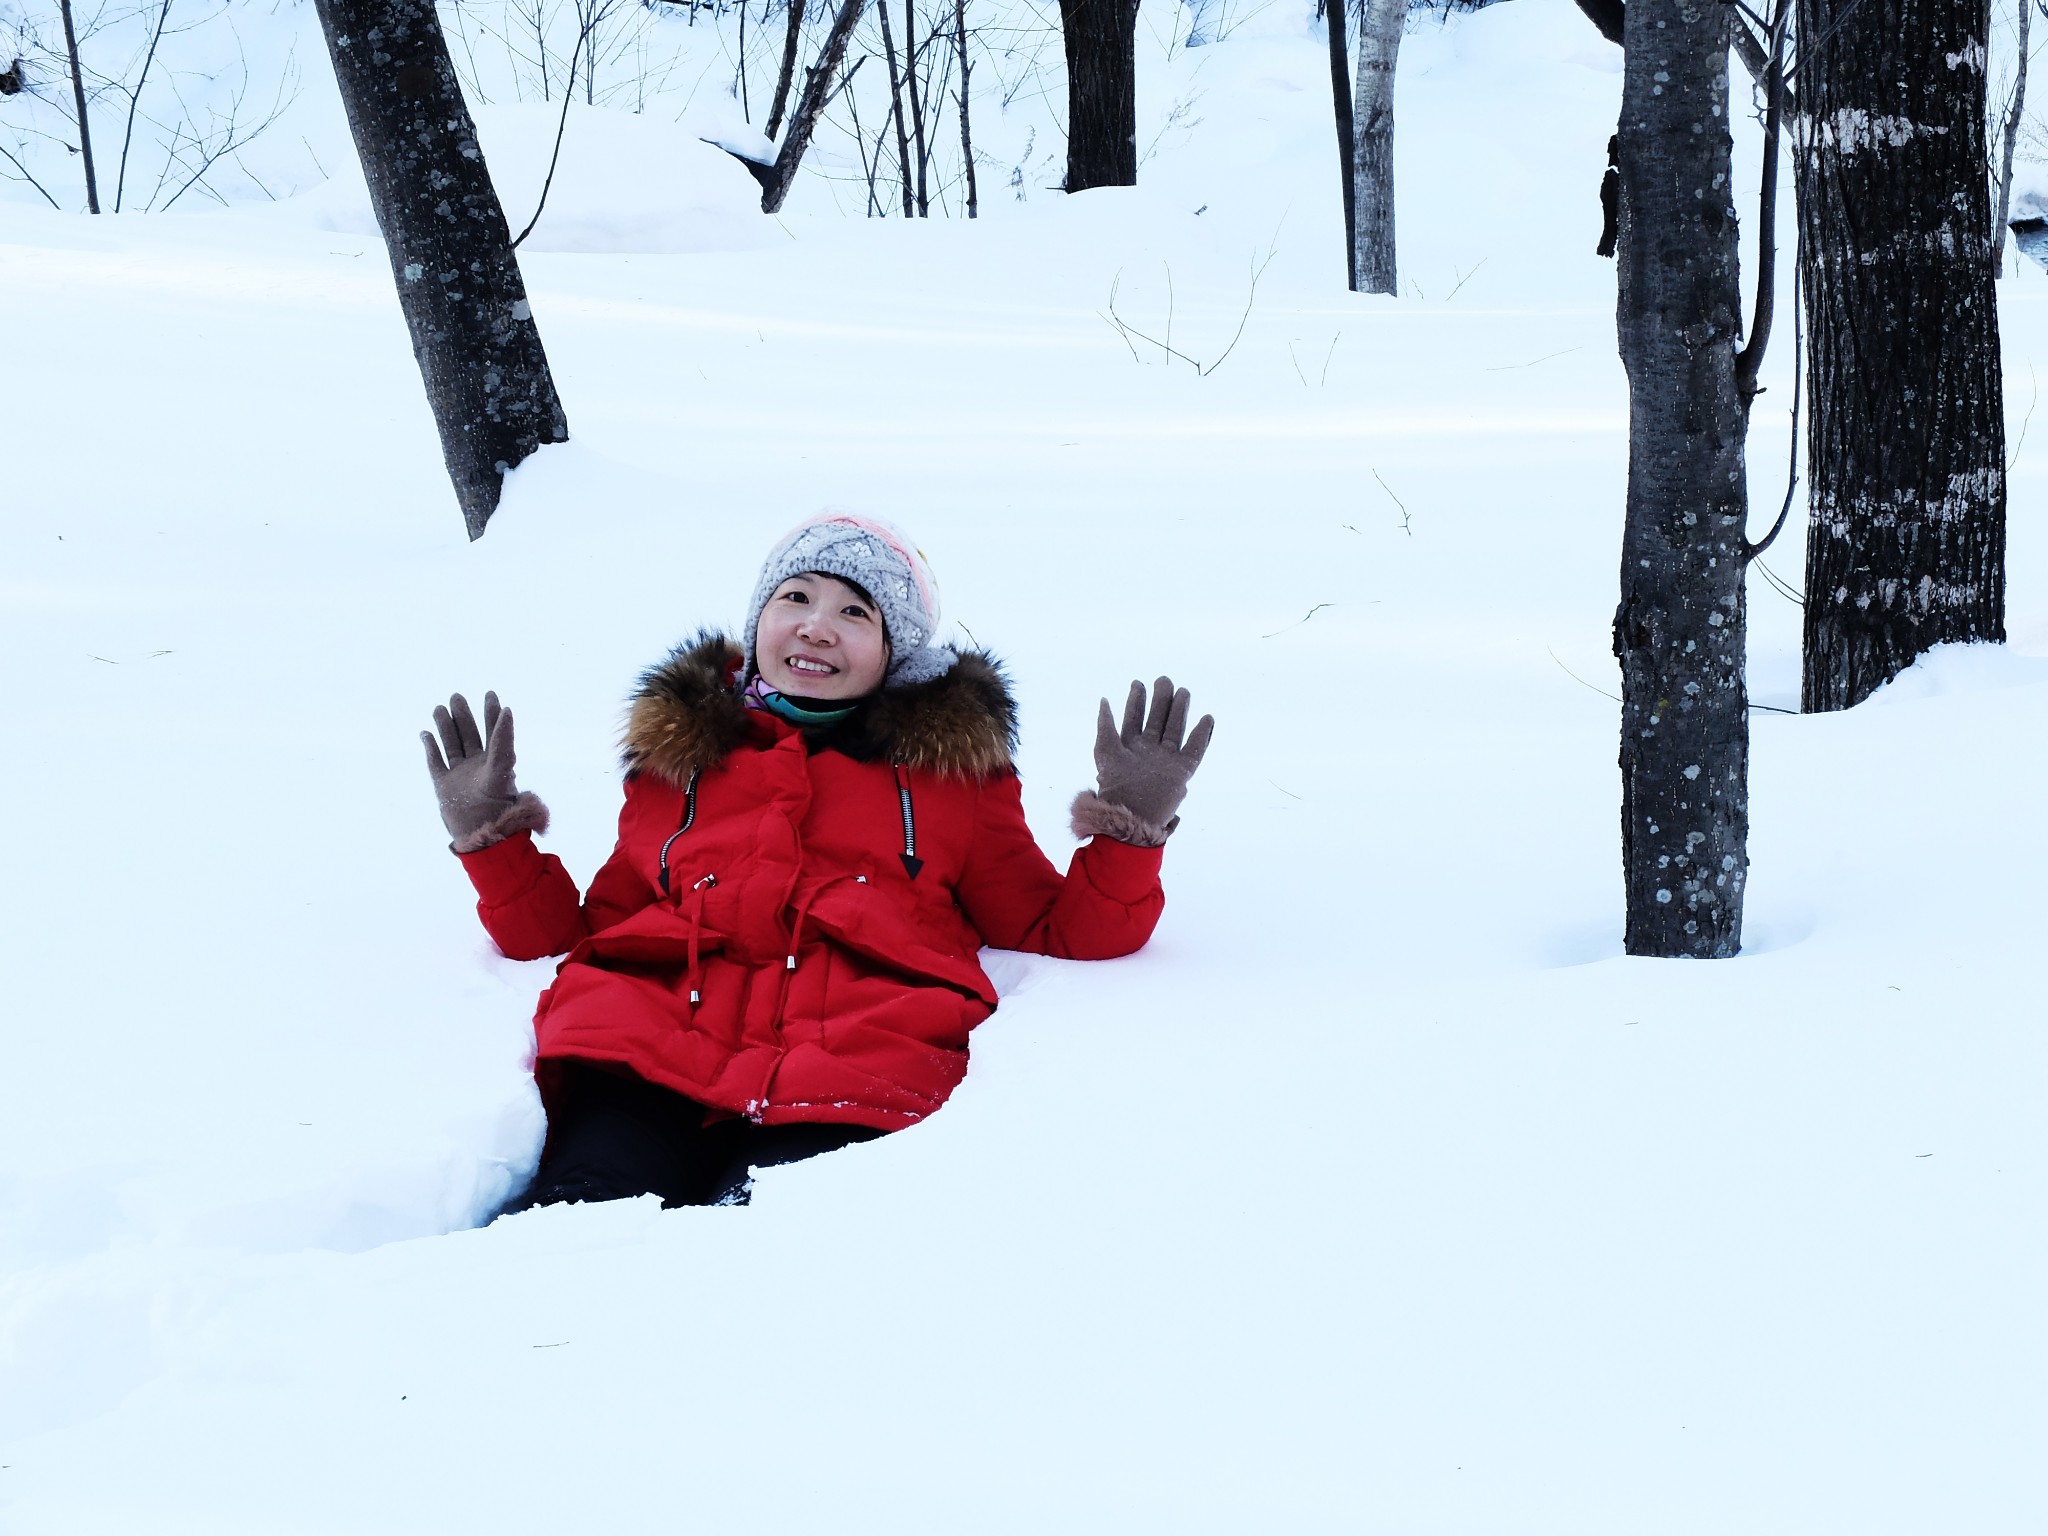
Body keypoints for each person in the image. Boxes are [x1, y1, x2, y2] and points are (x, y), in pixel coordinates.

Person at [422, 514, 1213, 1209]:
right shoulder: (682, 764)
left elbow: (1058, 928)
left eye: (854, 612)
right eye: (794, 598)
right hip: (647, 1058)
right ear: (759, 617)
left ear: (894, 651)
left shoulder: (954, 784)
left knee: (776, 1258)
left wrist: (1128, 831)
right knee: (577, 1229)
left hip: (856, 1074)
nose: (816, 626)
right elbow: (585, 931)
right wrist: (493, 837)